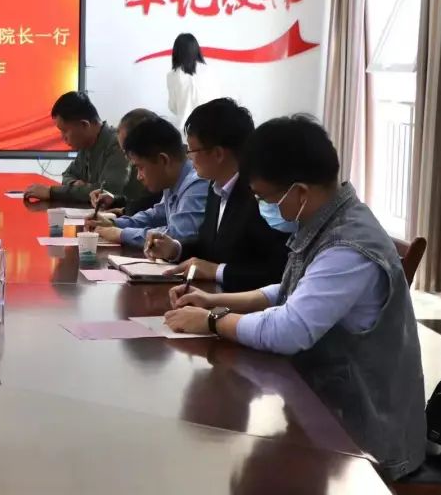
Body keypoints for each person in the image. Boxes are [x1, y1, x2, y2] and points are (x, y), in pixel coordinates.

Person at [163, 116, 425, 480]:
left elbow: (290, 329)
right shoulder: (325, 220)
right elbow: (289, 291)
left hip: (360, 438)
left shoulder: (348, 246)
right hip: (324, 409)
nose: (262, 206)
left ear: (299, 192)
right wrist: (214, 302)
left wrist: (212, 321)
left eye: (264, 198)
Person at [145, 98, 289, 292]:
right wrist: (175, 249)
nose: (189, 157)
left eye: (192, 150)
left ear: (218, 154)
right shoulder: (215, 187)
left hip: (245, 304)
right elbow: (210, 249)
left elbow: (277, 272)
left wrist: (218, 271)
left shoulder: (261, 196)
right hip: (209, 296)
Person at [88, 116, 207, 248]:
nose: (139, 176)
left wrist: (121, 234)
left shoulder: (197, 184)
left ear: (163, 160)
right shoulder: (172, 182)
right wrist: (114, 223)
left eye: (140, 167)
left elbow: (177, 235)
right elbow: (155, 216)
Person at [23, 91, 127, 204]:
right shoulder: (86, 145)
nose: (63, 137)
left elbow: (106, 192)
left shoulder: (118, 144)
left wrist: (51, 192)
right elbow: (67, 175)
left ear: (84, 125)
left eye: (65, 131)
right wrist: (74, 184)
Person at [88, 108, 163, 217]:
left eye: (128, 151)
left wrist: (120, 215)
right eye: (124, 151)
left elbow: (147, 207)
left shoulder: (159, 172)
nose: (127, 158)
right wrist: (115, 201)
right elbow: (143, 205)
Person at [167, 33, 219, 132]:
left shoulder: (172, 76)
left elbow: (173, 106)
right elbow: (217, 100)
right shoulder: (209, 71)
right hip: (210, 127)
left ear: (176, 52)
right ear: (196, 49)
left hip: (184, 129)